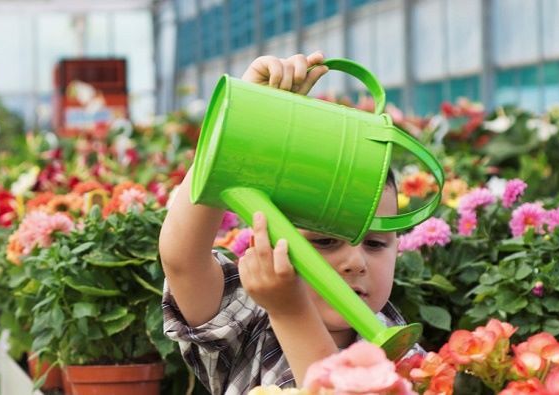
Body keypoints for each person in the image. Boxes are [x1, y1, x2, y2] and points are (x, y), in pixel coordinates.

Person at [159, 51, 420, 394]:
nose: (355, 262)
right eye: (324, 241)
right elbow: (182, 260)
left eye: (375, 243)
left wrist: (291, 311)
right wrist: (242, 122)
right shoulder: (247, 316)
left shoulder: (402, 358)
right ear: (264, 241)